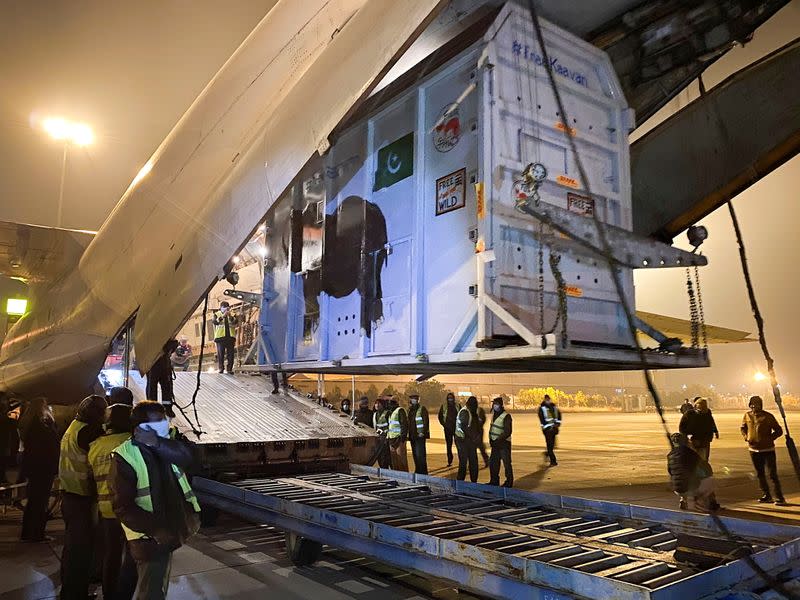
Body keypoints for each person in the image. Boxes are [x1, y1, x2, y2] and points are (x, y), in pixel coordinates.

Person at [110, 401, 200, 600]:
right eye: (159, 420)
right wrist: (159, 532)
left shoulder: (163, 444)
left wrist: (158, 441)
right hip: (150, 537)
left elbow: (190, 458)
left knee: (140, 583)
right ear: (142, 427)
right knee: (152, 592)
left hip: (164, 532)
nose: (166, 423)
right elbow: (122, 507)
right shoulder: (126, 455)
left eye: (164, 419)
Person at [59, 394, 107, 600]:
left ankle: (70, 588)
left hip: (69, 495)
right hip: (82, 497)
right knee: (80, 551)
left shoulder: (75, 426)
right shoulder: (88, 432)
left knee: (72, 548)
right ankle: (74, 594)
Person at [88, 403, 138, 600]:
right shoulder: (131, 443)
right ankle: (124, 595)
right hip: (130, 509)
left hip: (107, 508)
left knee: (112, 554)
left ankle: (109, 595)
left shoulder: (95, 446)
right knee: (134, 556)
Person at [19, 398, 59, 542]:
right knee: (40, 501)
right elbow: (50, 446)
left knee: (34, 501)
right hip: (43, 468)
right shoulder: (42, 426)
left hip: (35, 467)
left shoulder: (30, 425)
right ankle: (36, 533)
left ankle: (28, 532)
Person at [741, 396, 786, 505]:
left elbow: (779, 431)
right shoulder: (747, 415)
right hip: (753, 450)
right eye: (751, 404)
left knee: (772, 474)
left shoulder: (768, 416)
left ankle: (779, 497)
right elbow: (743, 428)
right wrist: (746, 437)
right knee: (760, 474)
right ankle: (767, 495)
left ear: (760, 405)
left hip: (768, 449)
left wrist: (769, 438)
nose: (753, 406)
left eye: (756, 404)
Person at [667, 432, 720, 512]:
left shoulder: (670, 455)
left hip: (677, 490)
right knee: (710, 479)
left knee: (681, 477)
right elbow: (706, 469)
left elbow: (671, 472)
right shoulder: (690, 454)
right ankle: (709, 503)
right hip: (691, 488)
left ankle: (683, 500)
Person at [146, 339, 178, 418]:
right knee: (152, 388)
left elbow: (174, 343)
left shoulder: (165, 332)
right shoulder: (150, 334)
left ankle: (167, 408)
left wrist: (171, 346)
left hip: (164, 364)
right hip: (152, 364)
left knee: (167, 387)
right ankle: (153, 409)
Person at [488, 397, 513, 488]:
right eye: (494, 404)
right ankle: (494, 480)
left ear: (500, 405)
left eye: (496, 404)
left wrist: (498, 440)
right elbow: (492, 429)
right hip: (495, 444)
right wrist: (491, 440)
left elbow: (508, 431)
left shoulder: (506, 416)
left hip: (504, 444)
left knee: (506, 463)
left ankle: (509, 482)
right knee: (493, 463)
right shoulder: (494, 415)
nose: (494, 405)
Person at [455, 396, 480, 483]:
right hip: (463, 440)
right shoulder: (465, 412)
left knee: (472, 462)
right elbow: (464, 427)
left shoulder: (471, 412)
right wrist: (474, 437)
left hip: (469, 440)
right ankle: (460, 482)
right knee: (464, 462)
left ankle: (473, 481)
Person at [213, 301, 238, 374]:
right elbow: (215, 322)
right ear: (220, 308)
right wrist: (223, 316)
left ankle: (229, 369)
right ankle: (221, 368)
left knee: (231, 354)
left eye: (227, 308)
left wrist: (229, 316)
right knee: (221, 354)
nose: (225, 309)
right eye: (224, 307)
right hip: (220, 338)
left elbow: (235, 322)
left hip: (230, 337)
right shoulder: (217, 314)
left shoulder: (233, 314)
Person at [407, 394, 429, 475]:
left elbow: (426, 421)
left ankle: (423, 472)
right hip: (412, 436)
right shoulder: (410, 410)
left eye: (415, 399)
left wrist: (423, 432)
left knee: (421, 456)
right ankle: (418, 471)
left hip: (420, 436)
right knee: (415, 455)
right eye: (412, 399)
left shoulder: (422, 409)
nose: (413, 400)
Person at [386, 398, 409, 472]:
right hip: (392, 439)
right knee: (394, 461)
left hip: (399, 440)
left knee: (401, 461)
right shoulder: (391, 413)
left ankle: (406, 478)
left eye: (391, 403)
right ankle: (397, 477)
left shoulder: (400, 410)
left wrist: (402, 438)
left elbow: (404, 425)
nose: (390, 405)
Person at [539, 394, 561, 466]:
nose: (548, 401)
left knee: (553, 446)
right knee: (550, 446)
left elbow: (559, 416)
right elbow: (541, 418)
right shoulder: (542, 408)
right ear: (545, 400)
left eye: (548, 399)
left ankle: (547, 453)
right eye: (547, 399)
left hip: (554, 429)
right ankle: (553, 461)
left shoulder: (554, 407)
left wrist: (557, 424)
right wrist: (545, 427)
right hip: (547, 430)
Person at [438, 393, 459, 467]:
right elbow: (440, 416)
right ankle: (450, 460)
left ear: (453, 398)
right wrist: (444, 424)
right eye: (449, 398)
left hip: (456, 429)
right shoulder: (444, 406)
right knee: (449, 445)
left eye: (451, 398)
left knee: (458, 445)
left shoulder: (458, 406)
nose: (450, 399)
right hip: (447, 429)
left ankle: (461, 460)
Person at [0, 396, 16, 484]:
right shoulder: (8, 422)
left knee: (3, 465)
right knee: (3, 465)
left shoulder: (8, 422)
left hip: (4, 447)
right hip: (4, 447)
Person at [372, 398, 391, 468]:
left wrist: (386, 435)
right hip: (379, 440)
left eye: (379, 403)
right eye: (376, 403)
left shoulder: (387, 413)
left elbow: (390, 426)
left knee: (386, 458)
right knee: (380, 458)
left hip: (386, 439)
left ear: (383, 405)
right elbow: (375, 427)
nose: (377, 405)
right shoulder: (375, 415)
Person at [476, 404, 490, 468]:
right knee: (479, 446)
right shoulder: (470, 410)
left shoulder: (479, 410)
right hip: (476, 430)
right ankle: (486, 460)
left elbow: (483, 419)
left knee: (480, 446)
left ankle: (487, 460)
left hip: (478, 430)